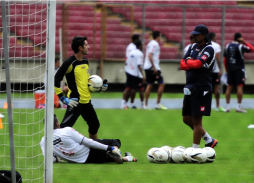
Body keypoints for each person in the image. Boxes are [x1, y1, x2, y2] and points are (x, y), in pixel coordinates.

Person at [54, 36, 108, 139]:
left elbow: (86, 82)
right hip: (75, 102)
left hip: (87, 102)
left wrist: (100, 87)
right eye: (86, 45)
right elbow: (56, 80)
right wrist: (63, 98)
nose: (89, 47)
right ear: (80, 48)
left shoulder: (86, 61)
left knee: (94, 125)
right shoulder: (69, 62)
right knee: (64, 129)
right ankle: (54, 152)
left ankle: (93, 150)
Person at [40, 114, 137, 164]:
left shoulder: (44, 141)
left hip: (84, 161)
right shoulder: (67, 130)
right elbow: (87, 142)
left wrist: (56, 157)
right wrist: (109, 148)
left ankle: (126, 158)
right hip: (89, 151)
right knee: (115, 141)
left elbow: (49, 160)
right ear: (57, 124)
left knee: (105, 158)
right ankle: (117, 153)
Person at [180, 24, 218, 148]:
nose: (193, 36)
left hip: (202, 87)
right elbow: (182, 64)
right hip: (190, 86)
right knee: (186, 118)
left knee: (197, 121)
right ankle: (209, 140)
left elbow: (196, 64)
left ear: (204, 36)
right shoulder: (193, 46)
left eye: (196, 34)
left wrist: (189, 62)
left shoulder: (209, 49)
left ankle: (194, 150)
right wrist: (192, 63)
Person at [224, 33, 254, 113]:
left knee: (229, 87)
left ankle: (227, 107)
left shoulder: (227, 46)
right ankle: (238, 107)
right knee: (239, 87)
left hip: (230, 70)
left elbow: (225, 59)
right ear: (239, 38)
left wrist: (227, 69)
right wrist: (244, 41)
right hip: (239, 70)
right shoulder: (240, 46)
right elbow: (251, 49)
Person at [143, 31, 167, 110]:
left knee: (149, 84)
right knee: (161, 83)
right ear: (158, 36)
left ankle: (145, 105)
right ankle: (157, 104)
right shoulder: (154, 44)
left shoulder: (150, 43)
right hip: (152, 67)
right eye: (160, 36)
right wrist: (154, 67)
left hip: (148, 67)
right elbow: (150, 55)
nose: (161, 38)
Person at [121, 34, 144, 109]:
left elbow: (128, 60)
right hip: (132, 71)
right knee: (129, 87)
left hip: (131, 70)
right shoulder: (132, 48)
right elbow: (136, 63)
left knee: (132, 88)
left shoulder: (131, 48)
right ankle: (124, 103)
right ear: (136, 40)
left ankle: (129, 103)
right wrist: (142, 75)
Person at [209, 32, 226, 112]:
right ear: (214, 37)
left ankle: (204, 106)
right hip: (215, 70)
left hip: (206, 70)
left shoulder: (205, 45)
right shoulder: (216, 46)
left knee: (205, 87)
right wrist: (220, 69)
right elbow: (218, 58)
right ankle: (218, 106)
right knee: (216, 87)